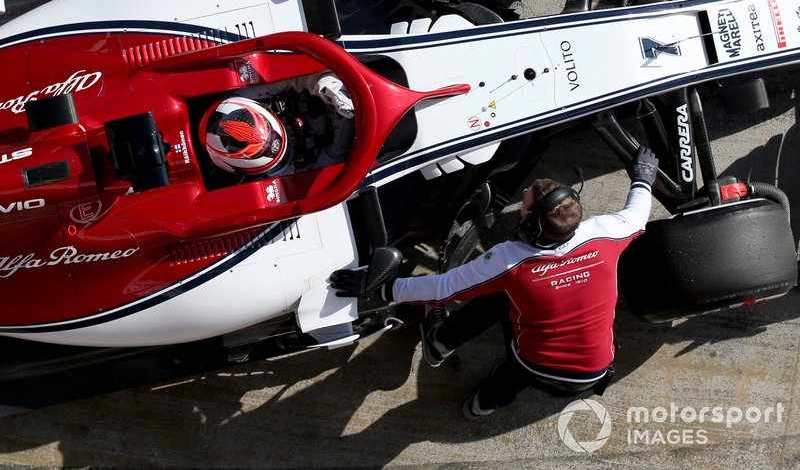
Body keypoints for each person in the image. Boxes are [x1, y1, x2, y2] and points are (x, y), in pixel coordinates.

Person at [330, 147, 658, 419]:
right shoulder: (606, 232)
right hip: (596, 370)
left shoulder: (511, 261)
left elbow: (442, 288)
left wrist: (383, 288)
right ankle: (481, 407)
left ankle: (442, 349)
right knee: (510, 356)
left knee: (502, 302)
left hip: (535, 362)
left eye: (524, 205)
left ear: (531, 227)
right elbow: (638, 211)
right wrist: (643, 177)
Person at [198, 71, 355, 177]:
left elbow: (298, 74)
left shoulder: (245, 94)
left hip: (340, 96)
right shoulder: (280, 177)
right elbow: (333, 164)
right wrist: (348, 127)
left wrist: (333, 91)